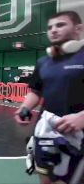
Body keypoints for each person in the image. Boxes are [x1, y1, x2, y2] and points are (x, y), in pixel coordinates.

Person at [14, 11, 84, 184]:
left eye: (60, 25)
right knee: (46, 180)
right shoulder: (43, 62)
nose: (53, 30)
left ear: (78, 28)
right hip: (46, 133)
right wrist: (25, 108)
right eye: (50, 27)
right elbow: (35, 91)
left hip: (80, 137)